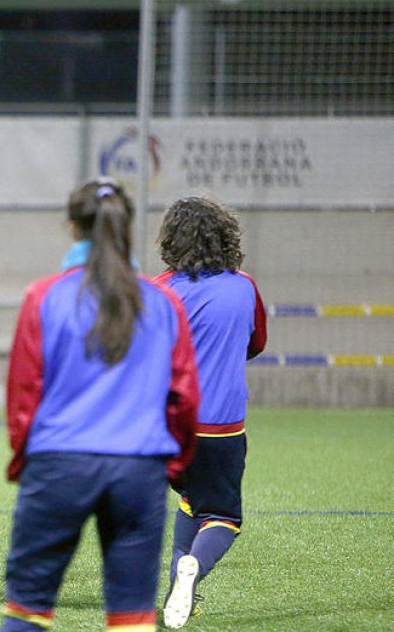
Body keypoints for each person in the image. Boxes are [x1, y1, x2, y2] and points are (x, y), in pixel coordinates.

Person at [0, 179, 200, 631]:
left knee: (27, 610)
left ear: (73, 228)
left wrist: (24, 462)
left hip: (58, 466)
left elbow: (24, 393)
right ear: (127, 227)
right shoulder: (164, 301)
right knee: (132, 617)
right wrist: (170, 465)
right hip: (138, 471)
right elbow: (185, 397)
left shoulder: (44, 296)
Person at [154, 196, 267, 629]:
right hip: (220, 429)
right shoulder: (245, 286)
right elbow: (255, 344)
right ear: (226, 237)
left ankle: (178, 596)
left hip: (166, 428)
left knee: (190, 500)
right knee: (222, 517)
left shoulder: (160, 289)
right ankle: (193, 568)